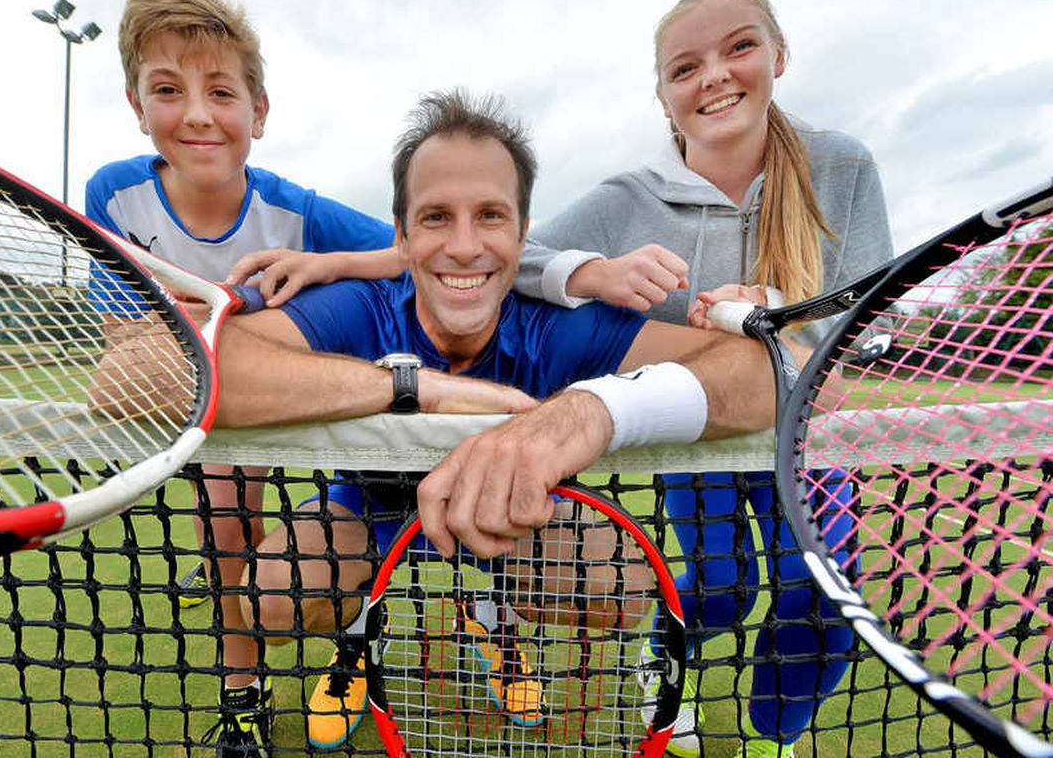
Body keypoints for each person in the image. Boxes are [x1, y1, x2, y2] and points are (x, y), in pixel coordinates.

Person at [91, 88, 817, 757]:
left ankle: (490, 611)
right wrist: (414, 388)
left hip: (512, 515)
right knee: (269, 599)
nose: (465, 246)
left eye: (490, 216)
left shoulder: (557, 326)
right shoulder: (359, 307)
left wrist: (587, 412)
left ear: (524, 231)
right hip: (368, 511)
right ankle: (357, 639)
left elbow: (769, 373)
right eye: (436, 218)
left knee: (621, 590)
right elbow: (132, 375)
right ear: (402, 235)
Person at [528, 0, 893, 758]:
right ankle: (665, 657)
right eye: (685, 67)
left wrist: (782, 309)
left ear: (778, 56)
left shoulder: (843, 164)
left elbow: (873, 317)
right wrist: (596, 272)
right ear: (663, 98)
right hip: (700, 438)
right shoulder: (629, 194)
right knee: (723, 593)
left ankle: (775, 741)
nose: (715, 76)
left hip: (812, 438)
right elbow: (516, 257)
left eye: (739, 48)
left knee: (821, 600)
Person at [84, 0, 404, 756]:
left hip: (294, 388)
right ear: (136, 104)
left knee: (294, 541)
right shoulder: (114, 197)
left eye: (220, 91)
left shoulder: (296, 209)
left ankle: (361, 626)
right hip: (200, 394)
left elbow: (409, 249)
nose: (196, 113)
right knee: (224, 530)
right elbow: (127, 349)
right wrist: (222, 313)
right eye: (167, 88)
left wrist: (323, 269)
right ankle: (243, 698)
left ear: (258, 113)